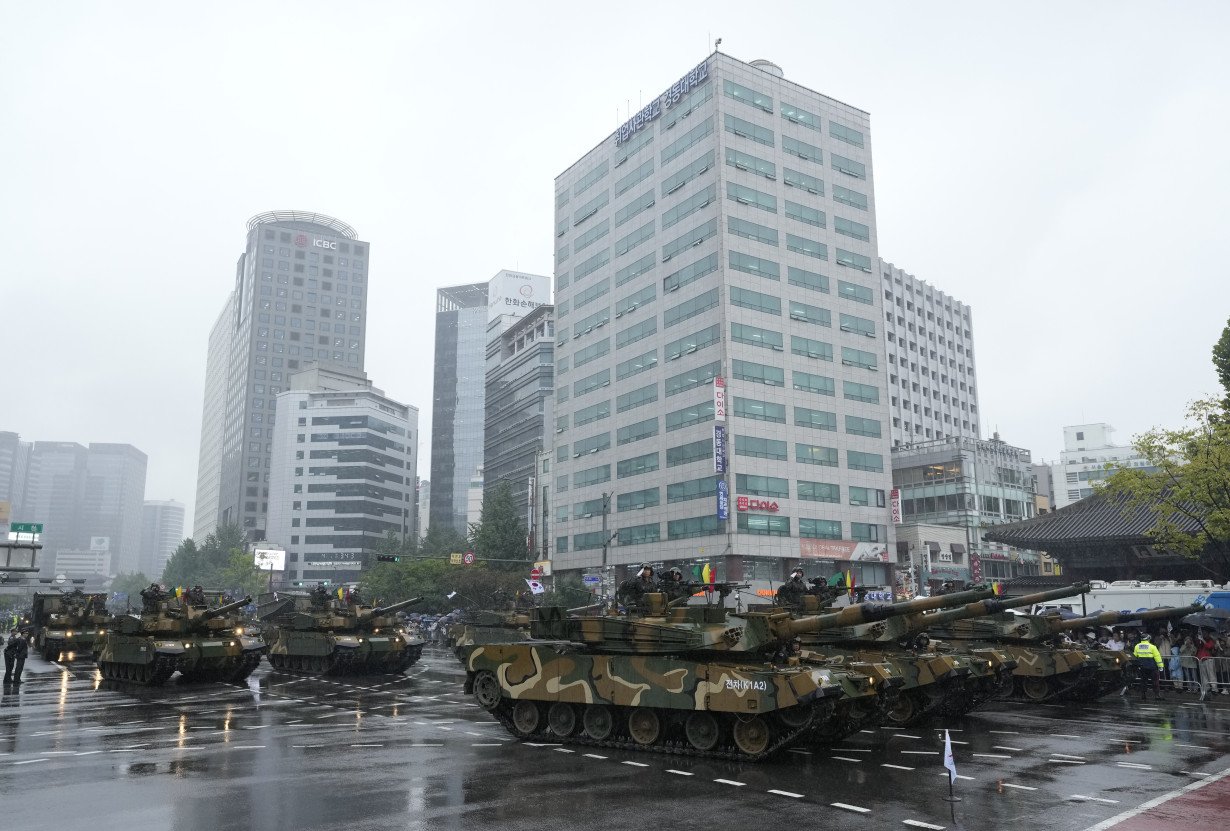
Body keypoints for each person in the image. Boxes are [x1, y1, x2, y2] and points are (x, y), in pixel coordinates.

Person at [1132, 634, 1164, 700]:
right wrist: (1161, 666)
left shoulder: (1137, 646)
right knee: (1155, 681)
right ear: (1148, 639)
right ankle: (1157, 695)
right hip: (1152, 667)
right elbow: (1157, 657)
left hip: (1142, 667)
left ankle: (1143, 695)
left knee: (1143, 681)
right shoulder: (1152, 647)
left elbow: (1135, 656)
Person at [1195, 631, 1219, 701]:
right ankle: (1206, 688)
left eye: (1205, 634)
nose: (1204, 635)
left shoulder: (1211, 640)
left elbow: (1209, 646)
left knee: (1211, 674)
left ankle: (1214, 689)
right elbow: (1198, 647)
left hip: (1208, 659)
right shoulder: (1200, 642)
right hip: (1202, 660)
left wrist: (1203, 640)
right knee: (1204, 676)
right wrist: (1199, 640)